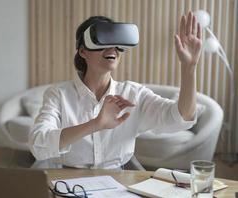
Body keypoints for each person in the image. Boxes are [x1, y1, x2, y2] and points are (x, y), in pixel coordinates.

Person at [29, 12, 202, 169]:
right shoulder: (59, 94)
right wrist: (95, 124)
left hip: (117, 185)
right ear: (83, 51)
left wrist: (189, 68)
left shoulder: (134, 94)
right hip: (66, 183)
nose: (112, 49)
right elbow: (39, 144)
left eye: (116, 43)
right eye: (103, 41)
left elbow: (181, 118)